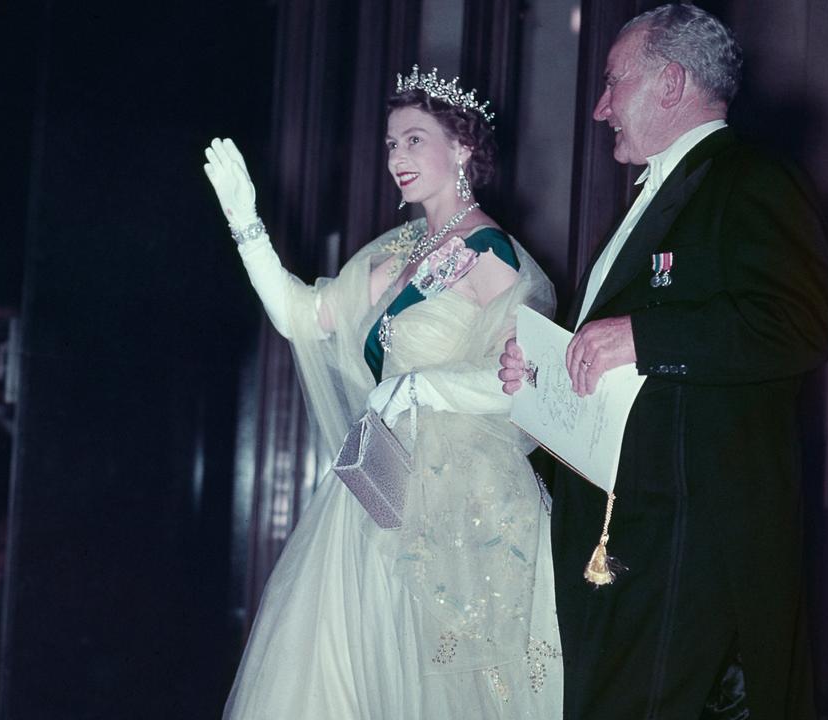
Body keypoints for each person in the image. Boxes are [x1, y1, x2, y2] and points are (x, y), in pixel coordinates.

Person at [498, 5, 828, 718]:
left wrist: (642, 338)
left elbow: (797, 326)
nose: (598, 109)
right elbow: (619, 360)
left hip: (687, 546)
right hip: (620, 544)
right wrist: (541, 374)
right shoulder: (655, 198)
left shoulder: (750, 180)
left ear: (672, 83)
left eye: (613, 82)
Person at [205, 65, 561, 719]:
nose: (396, 156)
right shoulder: (398, 256)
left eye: (414, 139)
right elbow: (300, 316)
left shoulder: (490, 254)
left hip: (463, 505)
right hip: (384, 490)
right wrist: (246, 223)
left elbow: (521, 381)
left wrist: (424, 385)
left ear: (463, 149)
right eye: (391, 142)